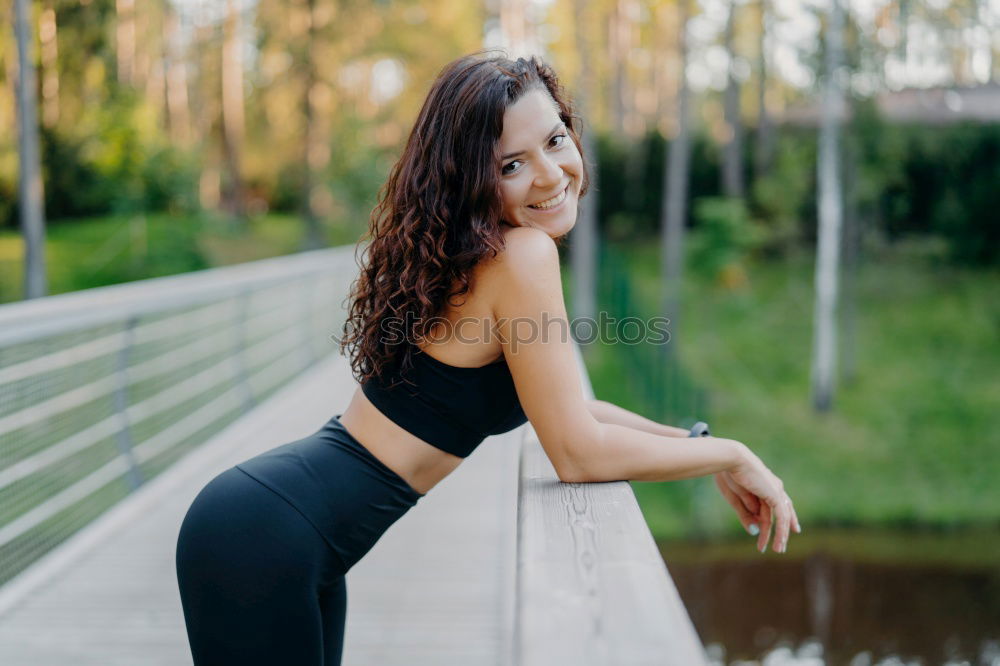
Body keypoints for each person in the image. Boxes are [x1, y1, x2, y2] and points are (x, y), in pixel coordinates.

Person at [174, 49, 800, 666]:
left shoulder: (478, 255)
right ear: (471, 177)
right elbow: (577, 453)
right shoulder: (521, 255)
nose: (551, 175)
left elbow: (573, 412)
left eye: (556, 141)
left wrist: (696, 443)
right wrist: (732, 455)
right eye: (512, 164)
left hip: (282, 533)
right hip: (262, 541)